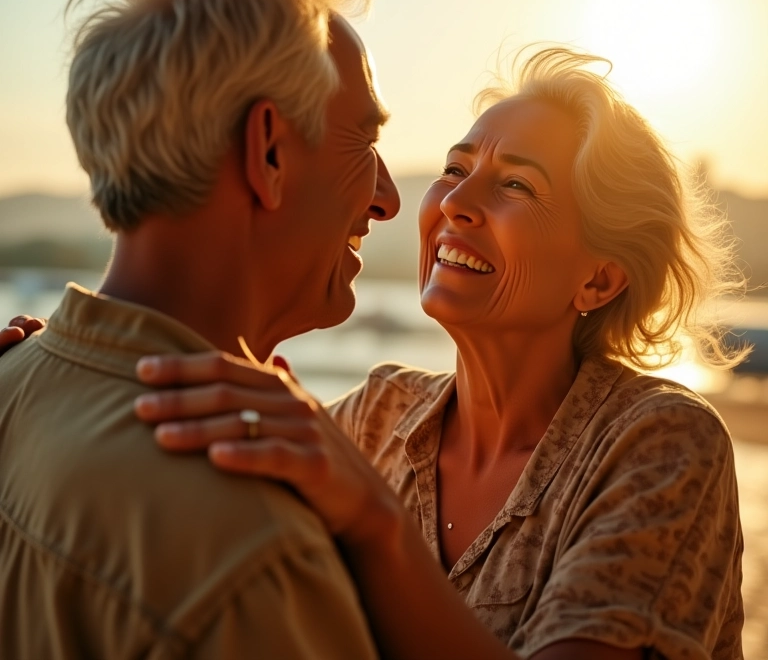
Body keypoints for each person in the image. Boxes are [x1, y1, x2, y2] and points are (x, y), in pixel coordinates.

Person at [120, 48, 746, 659]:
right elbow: (171, 490)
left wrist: (376, 526)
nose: (453, 204)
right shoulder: (377, 416)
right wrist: (52, 373)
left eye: (517, 185)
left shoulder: (660, 441)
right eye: (455, 170)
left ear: (599, 281)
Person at [0, 0, 401, 658]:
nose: (387, 200)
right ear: (270, 151)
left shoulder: (13, 383)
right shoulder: (253, 552)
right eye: (364, 142)